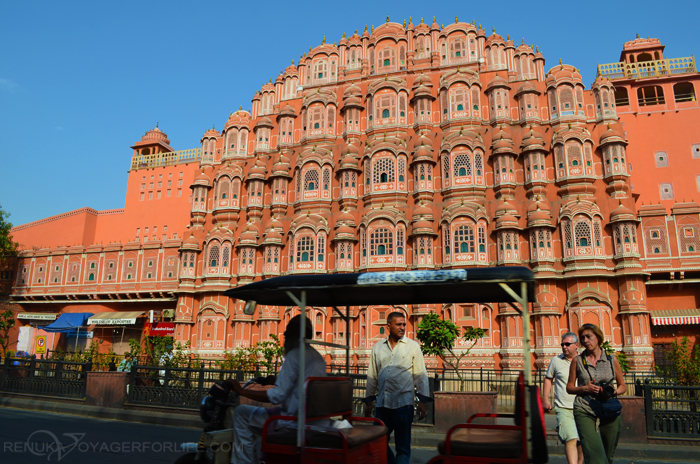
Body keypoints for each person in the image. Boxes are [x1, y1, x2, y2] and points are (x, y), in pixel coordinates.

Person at [227, 315, 326, 464]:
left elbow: (277, 396)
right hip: (313, 418)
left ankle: (245, 461)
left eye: (287, 333)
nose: (284, 337)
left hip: (293, 421)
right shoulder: (318, 357)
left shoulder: (294, 355)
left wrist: (241, 391)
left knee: (241, 413)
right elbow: (300, 384)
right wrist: (277, 381)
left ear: (295, 335)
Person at [364, 312, 430, 464]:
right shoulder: (378, 347)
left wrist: (422, 401)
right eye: (398, 324)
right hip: (382, 404)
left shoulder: (413, 347)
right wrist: (369, 401)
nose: (402, 327)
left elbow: (420, 374)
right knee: (377, 442)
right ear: (388, 326)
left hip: (403, 404)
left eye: (404, 324)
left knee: (403, 448)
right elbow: (372, 375)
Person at [566, 323, 626, 464]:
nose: (586, 340)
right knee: (596, 458)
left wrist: (613, 392)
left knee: (607, 456)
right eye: (583, 338)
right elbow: (569, 387)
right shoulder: (578, 360)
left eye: (589, 336)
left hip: (608, 407)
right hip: (585, 408)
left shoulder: (611, 359)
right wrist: (585, 388)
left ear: (598, 338)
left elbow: (623, 386)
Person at [543, 333, 583, 464]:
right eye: (562, 344)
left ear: (576, 345)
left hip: (583, 406)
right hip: (563, 407)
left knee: (582, 440)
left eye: (567, 344)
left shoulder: (584, 360)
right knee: (570, 438)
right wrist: (546, 399)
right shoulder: (556, 360)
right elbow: (548, 379)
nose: (564, 347)